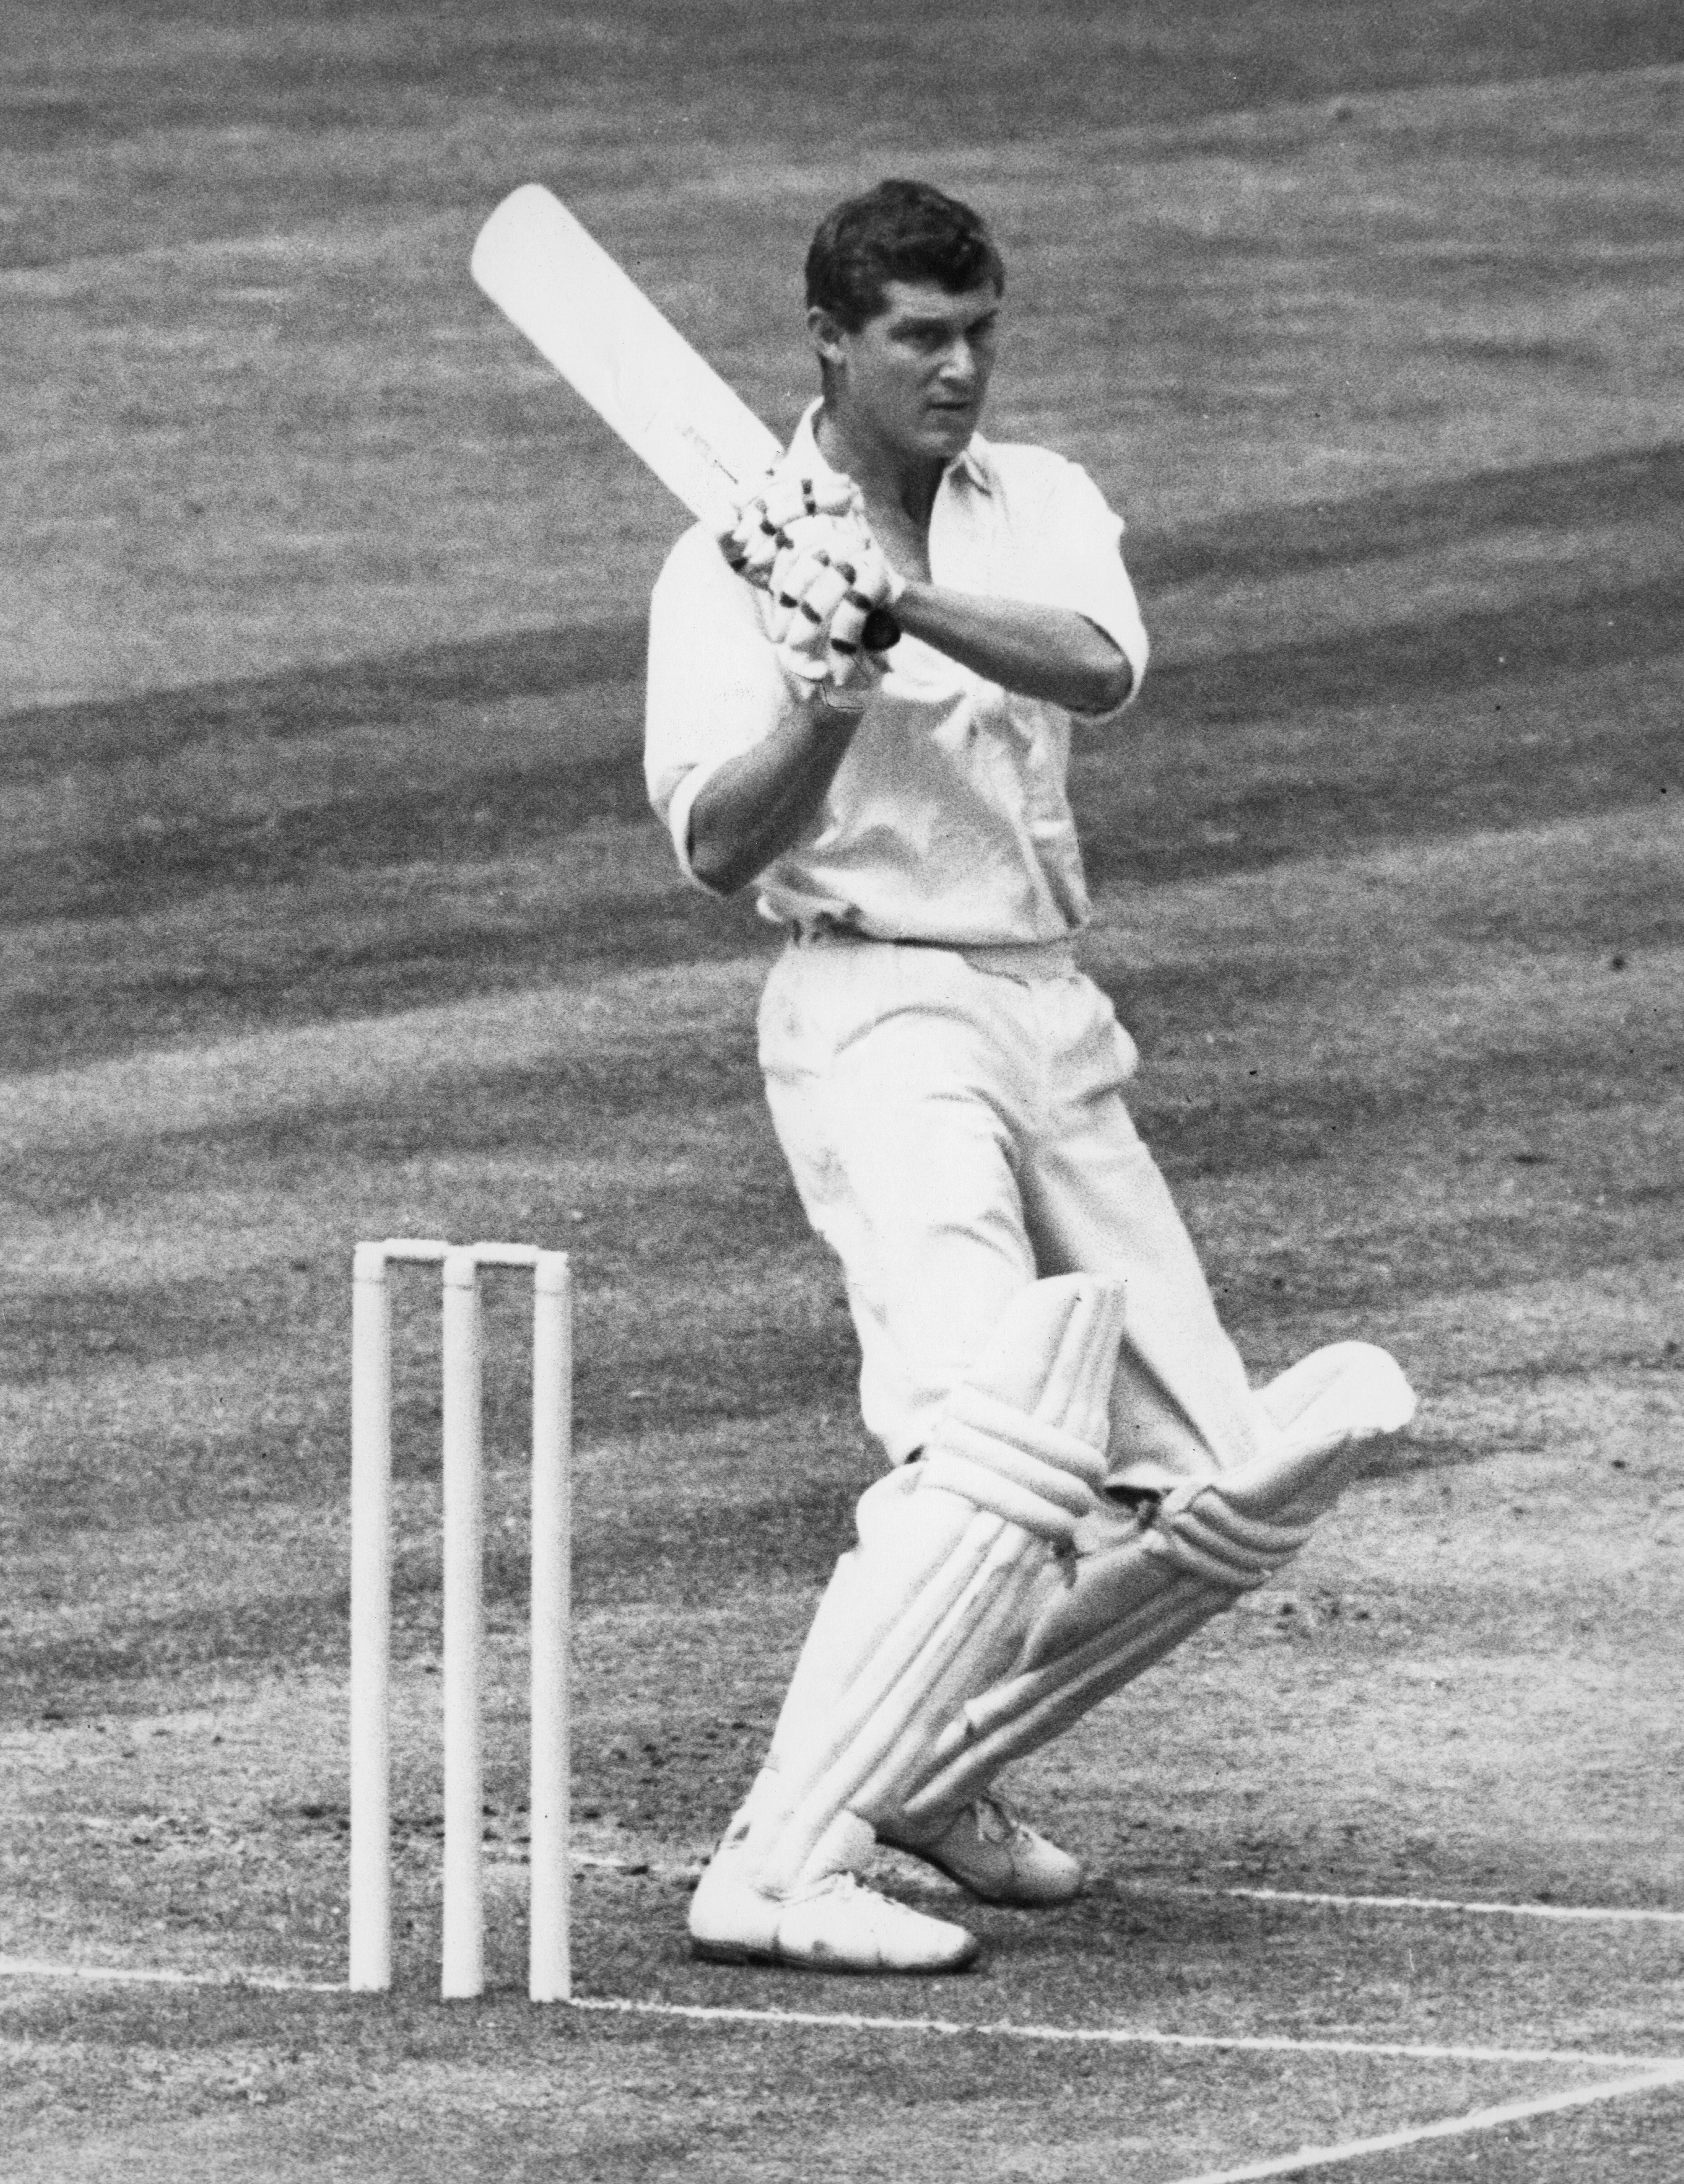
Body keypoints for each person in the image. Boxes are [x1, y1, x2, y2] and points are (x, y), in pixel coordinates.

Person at [644, 180, 1414, 1975]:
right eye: (918, 335)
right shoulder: (717, 569)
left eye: (978, 330)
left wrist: (898, 603)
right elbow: (717, 844)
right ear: (829, 340)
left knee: (1221, 1484)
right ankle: (778, 1863)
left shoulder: (1039, 498)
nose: (959, 367)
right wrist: (826, 701)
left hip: (1045, 1003)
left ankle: (924, 1769)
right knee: (985, 1442)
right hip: (877, 1008)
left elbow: (1100, 664)